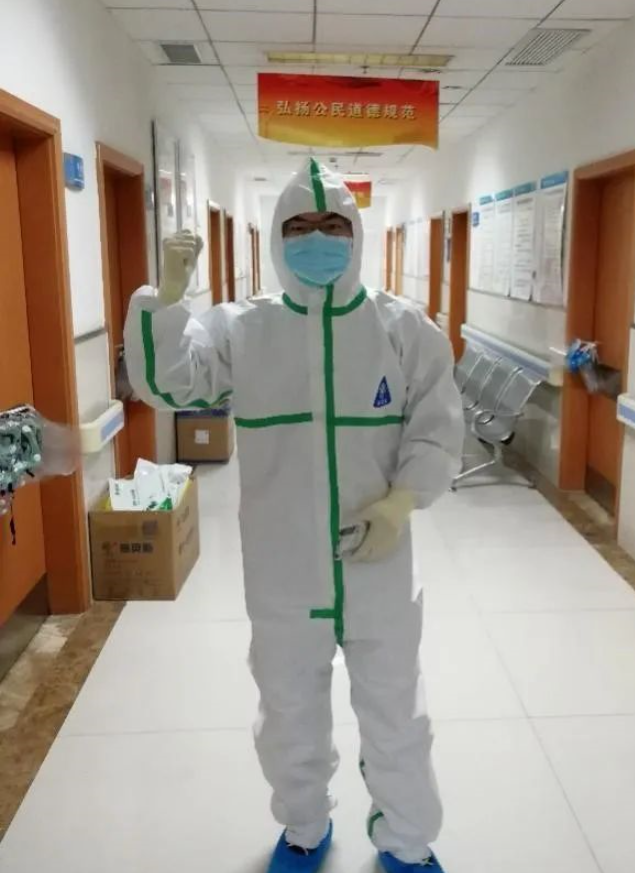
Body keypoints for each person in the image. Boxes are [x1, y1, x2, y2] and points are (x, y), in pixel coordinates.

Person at [123, 159, 464, 873]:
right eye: (300, 226)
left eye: (332, 224)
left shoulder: (402, 327)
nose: (317, 238)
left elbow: (437, 428)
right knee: (287, 710)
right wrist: (166, 300)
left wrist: (401, 502)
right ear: (278, 236)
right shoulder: (243, 327)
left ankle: (406, 840)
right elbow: (168, 383)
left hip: (378, 562)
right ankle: (304, 827)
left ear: (356, 234)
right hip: (283, 566)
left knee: (397, 709)